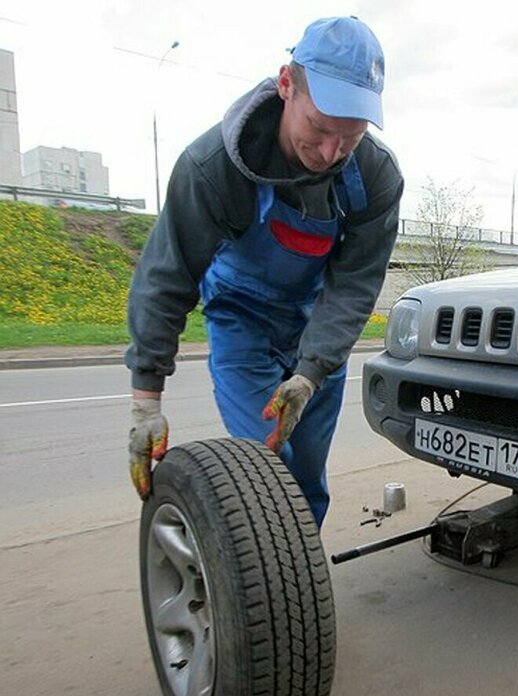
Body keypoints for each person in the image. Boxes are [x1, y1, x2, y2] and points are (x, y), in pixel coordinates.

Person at [126, 16, 404, 527]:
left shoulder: (376, 176)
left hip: (317, 327)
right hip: (243, 321)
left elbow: (354, 285)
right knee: (267, 470)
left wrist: (311, 372)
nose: (329, 153)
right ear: (285, 86)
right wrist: (147, 401)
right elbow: (167, 278)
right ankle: (261, 583)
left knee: (308, 483)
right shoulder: (212, 167)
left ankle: (295, 592)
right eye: (319, 129)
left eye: (350, 136)